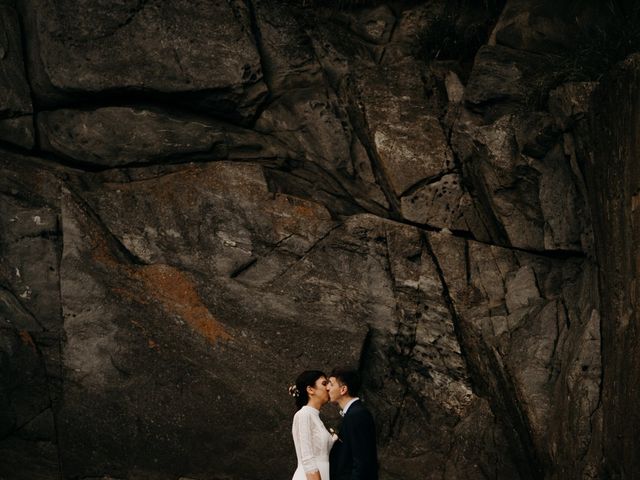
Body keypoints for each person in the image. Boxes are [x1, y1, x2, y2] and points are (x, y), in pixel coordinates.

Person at [327, 368, 378, 480]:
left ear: (343, 389)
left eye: (331, 384)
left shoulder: (357, 414)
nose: (327, 388)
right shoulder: (353, 413)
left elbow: (362, 462)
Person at [290, 370, 338, 480]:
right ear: (310, 390)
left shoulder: (316, 417)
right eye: (324, 384)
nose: (328, 388)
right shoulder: (304, 414)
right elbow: (307, 458)